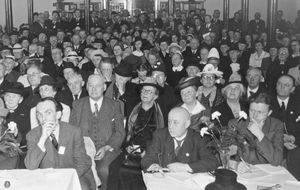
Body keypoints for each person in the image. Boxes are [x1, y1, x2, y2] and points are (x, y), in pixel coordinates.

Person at [24, 97, 95, 190]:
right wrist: (42, 139)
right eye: (39, 115)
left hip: (75, 174)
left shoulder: (74, 132)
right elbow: (30, 166)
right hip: (48, 178)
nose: (43, 118)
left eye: (48, 113)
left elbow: (82, 162)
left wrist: (65, 179)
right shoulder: (33, 135)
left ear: (58, 114)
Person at [70, 74, 125, 190]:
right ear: (86, 87)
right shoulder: (77, 105)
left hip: (107, 148)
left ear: (104, 87)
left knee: (103, 170)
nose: (94, 89)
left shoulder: (115, 105)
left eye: (98, 86)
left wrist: (106, 147)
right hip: (84, 150)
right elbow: (72, 131)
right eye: (90, 86)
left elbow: (119, 132)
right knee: (83, 171)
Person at [141, 107, 218, 173]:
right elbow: (147, 158)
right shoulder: (160, 135)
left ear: (187, 124)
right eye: (169, 121)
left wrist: (186, 167)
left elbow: (212, 162)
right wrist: (153, 165)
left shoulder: (198, 138)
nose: (170, 126)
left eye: (175, 122)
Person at [228, 93, 284, 166]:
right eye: (252, 110)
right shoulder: (236, 123)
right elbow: (226, 151)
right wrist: (234, 162)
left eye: (260, 112)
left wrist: (259, 134)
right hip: (241, 169)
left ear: (269, 113)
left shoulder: (276, 125)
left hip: (266, 170)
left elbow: (277, 160)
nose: (254, 116)